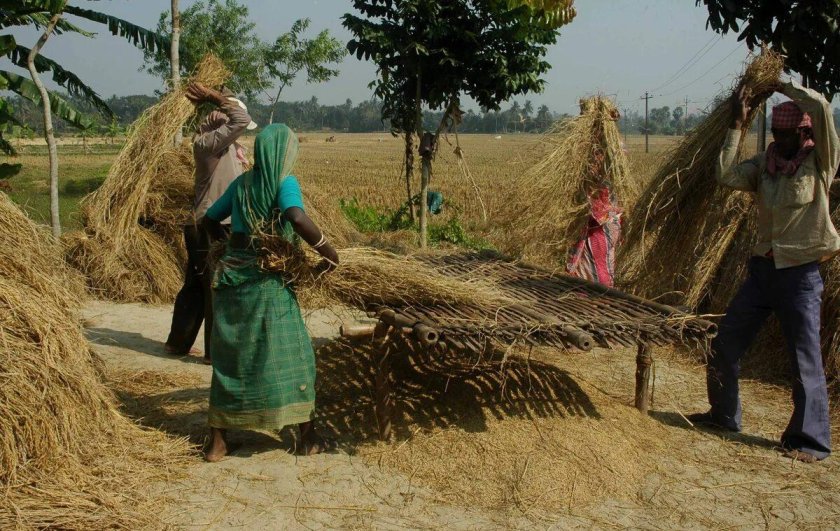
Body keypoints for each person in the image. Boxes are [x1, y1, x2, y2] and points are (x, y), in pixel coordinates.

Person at [688, 79, 840, 463]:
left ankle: (810, 442)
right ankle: (723, 415)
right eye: (776, 133)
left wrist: (781, 85)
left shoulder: (821, 161)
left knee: (805, 359)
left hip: (800, 274)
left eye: (787, 133)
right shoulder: (764, 165)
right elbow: (725, 176)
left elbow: (821, 106)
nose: (781, 140)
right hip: (763, 272)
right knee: (724, 343)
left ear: (803, 131)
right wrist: (737, 125)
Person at [200, 123, 339, 462]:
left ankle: (218, 442)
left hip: (233, 280)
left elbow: (209, 220)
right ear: (284, 153)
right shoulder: (283, 182)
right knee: (294, 355)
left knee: (233, 359)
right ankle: (307, 438)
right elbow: (295, 215)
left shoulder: (242, 183)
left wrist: (230, 249)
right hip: (268, 286)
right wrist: (327, 251)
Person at [164, 82, 257, 364]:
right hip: (209, 224)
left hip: (206, 222)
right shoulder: (207, 144)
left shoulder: (225, 147)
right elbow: (239, 119)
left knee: (196, 281)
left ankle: (177, 343)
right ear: (222, 123)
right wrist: (215, 98)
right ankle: (214, 353)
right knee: (214, 284)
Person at [566, 184, 622, 287]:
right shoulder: (590, 183)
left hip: (603, 229)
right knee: (592, 263)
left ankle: (599, 293)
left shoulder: (607, 185)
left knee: (600, 263)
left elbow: (601, 214)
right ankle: (586, 292)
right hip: (602, 227)